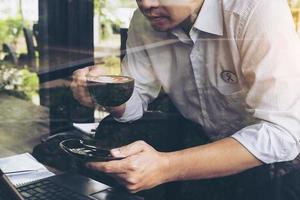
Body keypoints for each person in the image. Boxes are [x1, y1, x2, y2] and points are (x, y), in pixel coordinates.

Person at [71, 0, 300, 199]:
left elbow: (282, 133)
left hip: (280, 165)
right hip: (203, 150)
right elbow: (134, 105)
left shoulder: (257, 9)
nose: (146, 4)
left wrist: (166, 167)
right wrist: (106, 91)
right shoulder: (143, 23)